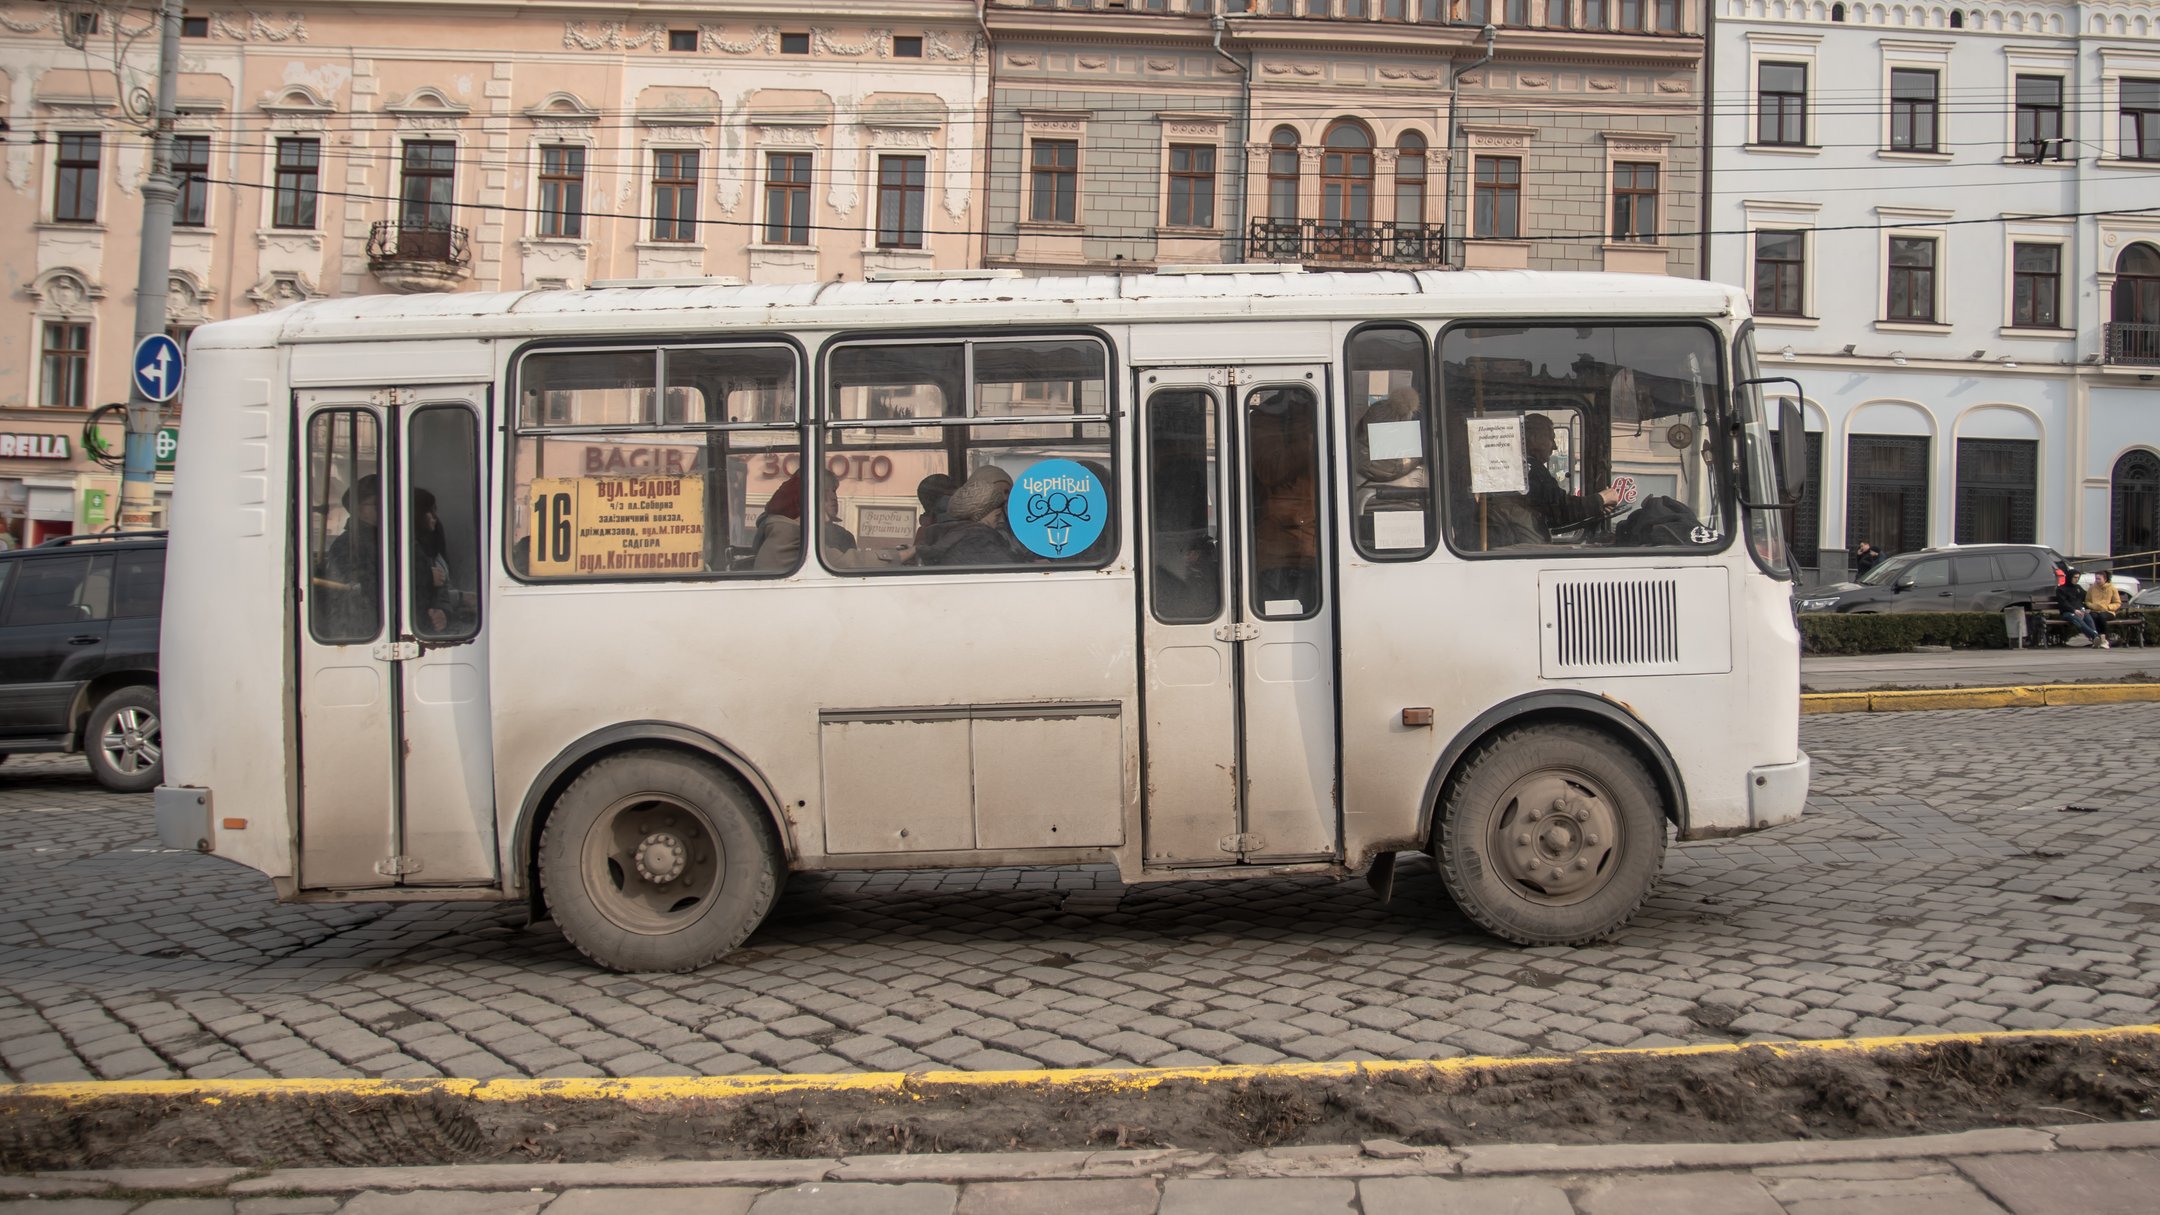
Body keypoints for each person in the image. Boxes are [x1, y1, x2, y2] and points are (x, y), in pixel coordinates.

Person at [1520, 413, 1619, 541]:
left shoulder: (1527, 467)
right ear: (1534, 439)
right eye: (1551, 438)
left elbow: (1553, 513)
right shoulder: (1531, 470)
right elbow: (1560, 510)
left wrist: (1595, 506)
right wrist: (1602, 498)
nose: (1555, 446)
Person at [916, 466, 1020, 567]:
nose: (1005, 499)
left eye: (1008, 492)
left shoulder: (1019, 526)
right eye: (995, 493)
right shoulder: (978, 539)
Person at [2056, 576, 2103, 647]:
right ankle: (2095, 636)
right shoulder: (2061, 589)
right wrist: (2074, 610)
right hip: (2067, 613)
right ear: (2069, 577)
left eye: (2078, 577)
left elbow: (2086, 596)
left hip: (2080, 611)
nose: (2077, 579)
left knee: (2088, 617)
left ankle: (2095, 639)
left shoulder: (2078, 587)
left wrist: (2094, 590)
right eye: (2075, 577)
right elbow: (2063, 603)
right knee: (2078, 620)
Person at [2086, 571, 2123, 650]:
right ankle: (2096, 638)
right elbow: (2087, 601)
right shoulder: (2092, 588)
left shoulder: (2112, 588)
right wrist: (2093, 606)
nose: (2097, 581)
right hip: (2095, 610)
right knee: (2093, 616)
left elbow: (2117, 603)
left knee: (2102, 617)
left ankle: (2105, 640)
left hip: (2108, 612)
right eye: (2096, 579)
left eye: (2099, 579)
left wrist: (2108, 607)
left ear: (2105, 579)